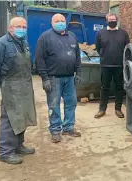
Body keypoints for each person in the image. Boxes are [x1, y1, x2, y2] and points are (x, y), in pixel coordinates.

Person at [0, 17, 37, 164]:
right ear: (10, 28)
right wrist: (1, 85)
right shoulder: (0, 44)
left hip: (24, 86)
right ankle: (5, 151)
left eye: (24, 26)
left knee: (22, 117)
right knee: (9, 119)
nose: (22, 29)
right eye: (18, 26)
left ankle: (17, 145)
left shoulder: (24, 43)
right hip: (10, 86)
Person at [35, 13, 82, 143]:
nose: (61, 22)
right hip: (53, 78)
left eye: (62, 20)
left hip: (69, 78)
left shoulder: (72, 36)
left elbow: (77, 57)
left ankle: (68, 127)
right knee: (54, 105)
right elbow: (39, 60)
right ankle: (55, 130)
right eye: (57, 21)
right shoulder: (45, 38)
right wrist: (45, 78)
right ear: (52, 23)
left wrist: (78, 73)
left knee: (71, 103)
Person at [94, 13, 130, 119]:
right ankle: (102, 109)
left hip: (119, 65)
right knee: (104, 88)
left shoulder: (123, 33)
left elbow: (127, 47)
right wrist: (104, 57)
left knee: (119, 88)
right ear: (106, 21)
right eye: (110, 19)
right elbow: (98, 47)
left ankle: (118, 109)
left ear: (117, 20)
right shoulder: (101, 33)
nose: (112, 21)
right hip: (106, 65)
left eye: (114, 19)